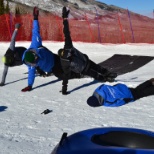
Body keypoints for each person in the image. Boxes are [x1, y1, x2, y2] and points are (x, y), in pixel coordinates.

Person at [21, 7, 83, 92]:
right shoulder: (31, 65)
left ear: (33, 52)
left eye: (36, 56)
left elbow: (35, 31)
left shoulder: (35, 44)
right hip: (51, 68)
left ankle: (79, 64)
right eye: (35, 61)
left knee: (66, 61)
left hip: (54, 57)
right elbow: (31, 74)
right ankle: (78, 74)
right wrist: (29, 85)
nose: (37, 58)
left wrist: (35, 18)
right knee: (62, 76)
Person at [58, 7, 117, 95]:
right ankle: (108, 74)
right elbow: (66, 33)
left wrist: (64, 89)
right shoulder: (68, 47)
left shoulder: (64, 63)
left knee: (95, 75)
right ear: (63, 50)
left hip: (83, 69)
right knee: (98, 67)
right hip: (86, 61)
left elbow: (66, 77)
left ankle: (105, 79)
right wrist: (65, 19)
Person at [87, 78, 154, 107]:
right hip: (123, 89)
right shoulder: (98, 90)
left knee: (142, 93)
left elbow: (117, 103)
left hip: (128, 95)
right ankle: (149, 82)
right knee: (137, 89)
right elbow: (105, 86)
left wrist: (126, 100)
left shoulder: (106, 103)